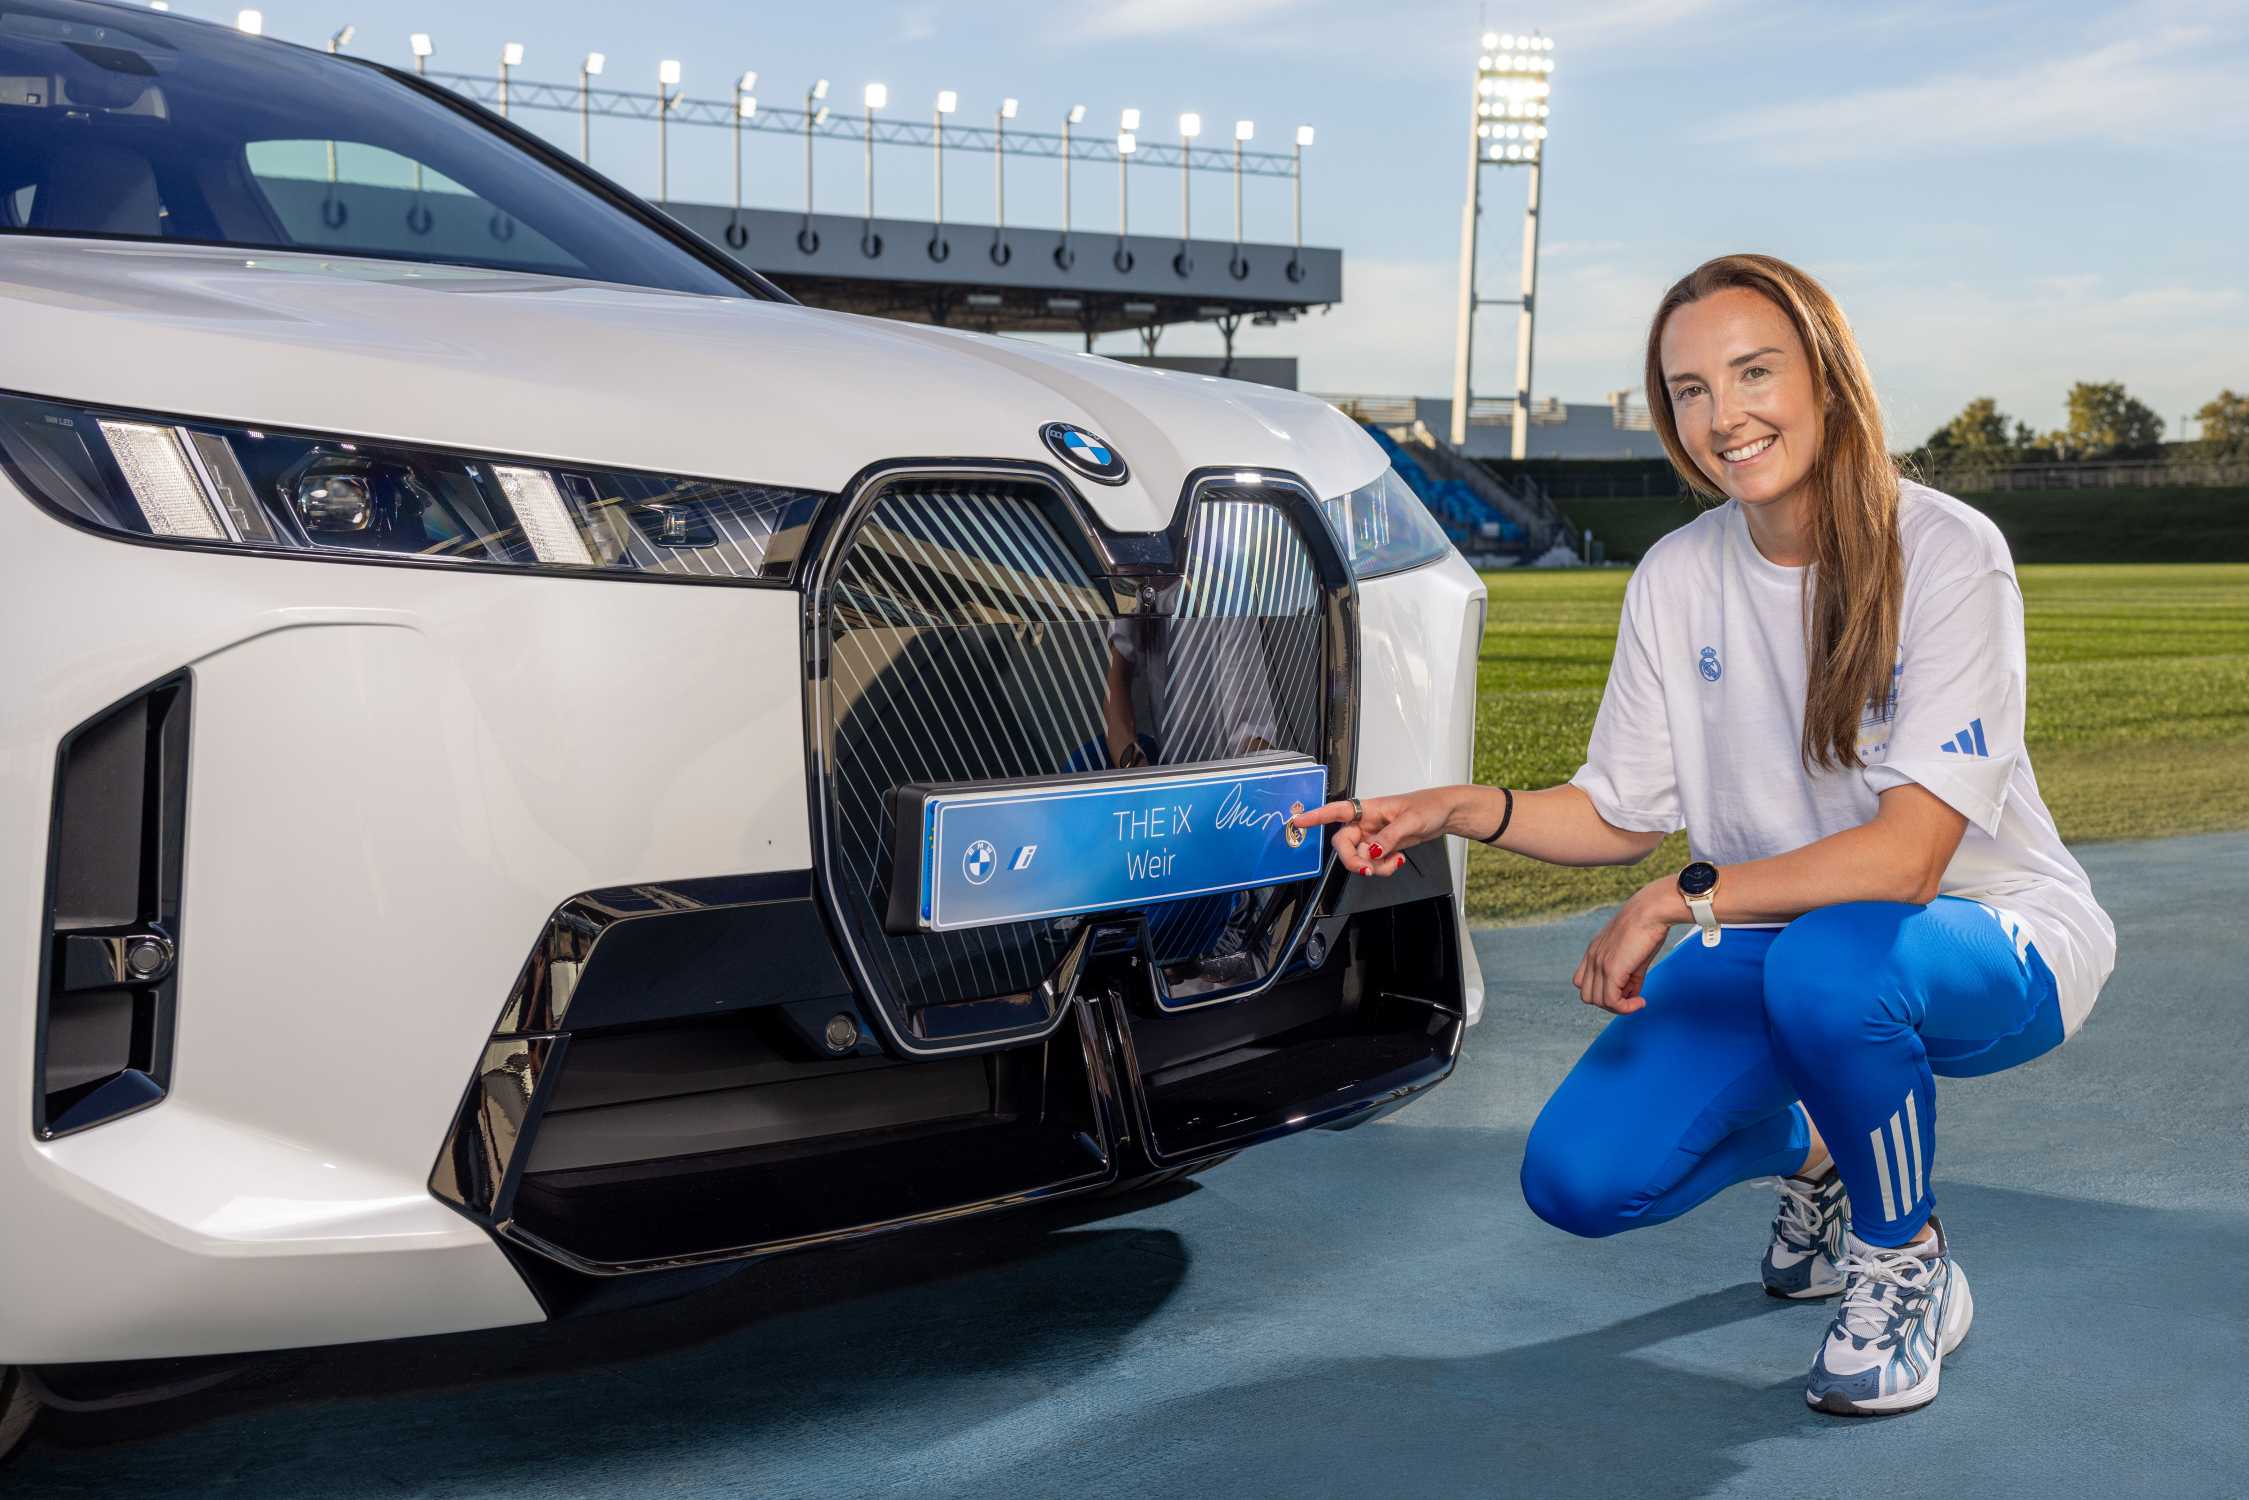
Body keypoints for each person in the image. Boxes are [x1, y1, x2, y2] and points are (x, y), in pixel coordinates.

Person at [1290, 253, 2115, 1417]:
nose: (1722, 415)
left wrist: (1681, 898)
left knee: (1833, 967)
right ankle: (1821, 1152)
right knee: (1578, 1179)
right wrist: (1454, 806)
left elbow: (1907, 861)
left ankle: (1905, 1261)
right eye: (1688, 389)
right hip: (1772, 942)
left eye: (1752, 372)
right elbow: (1617, 810)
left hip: (1984, 933)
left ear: (1823, 376)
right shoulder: (1675, 576)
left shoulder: (1943, 548)